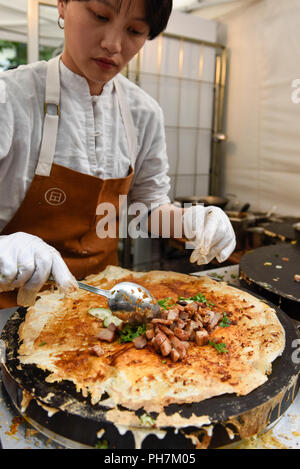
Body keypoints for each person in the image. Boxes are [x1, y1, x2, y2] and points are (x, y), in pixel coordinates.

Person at [0, 0, 235, 309]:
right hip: (9, 307)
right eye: (100, 15)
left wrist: (190, 221)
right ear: (62, 4)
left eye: (134, 30)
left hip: (102, 305)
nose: (112, 44)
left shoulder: (143, 112)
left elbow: (147, 209)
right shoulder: (11, 99)